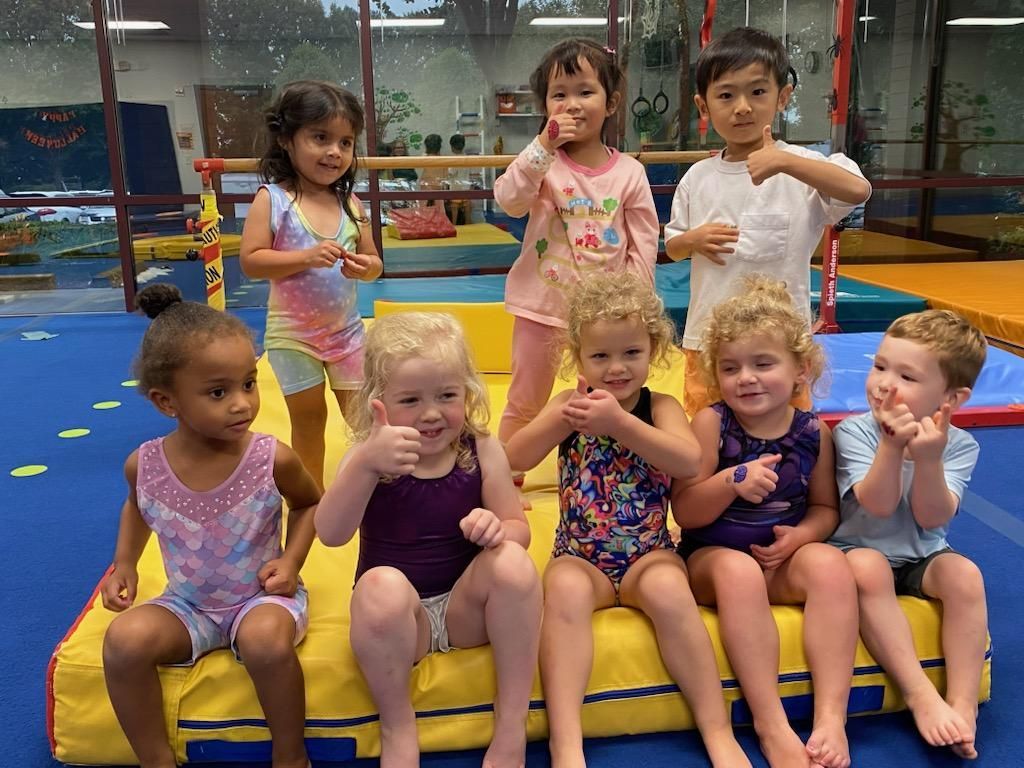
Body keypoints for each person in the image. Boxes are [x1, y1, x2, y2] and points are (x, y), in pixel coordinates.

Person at [505, 273, 751, 768]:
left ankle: (717, 729)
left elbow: (686, 462)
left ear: (653, 348)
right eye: (600, 357)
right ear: (578, 358)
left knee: (670, 594)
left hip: (648, 553)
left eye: (631, 353)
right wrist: (558, 420)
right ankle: (567, 743)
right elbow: (514, 457)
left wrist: (620, 423)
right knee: (565, 598)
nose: (616, 368)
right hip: (579, 556)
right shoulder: (565, 406)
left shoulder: (659, 407)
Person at [101, 284, 320, 768]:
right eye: (218, 392)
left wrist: (290, 561)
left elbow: (309, 505)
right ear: (167, 402)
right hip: (188, 605)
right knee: (122, 641)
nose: (242, 403)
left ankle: (290, 755)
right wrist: (124, 563)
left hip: (259, 598)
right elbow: (137, 507)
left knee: (264, 641)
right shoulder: (146, 464)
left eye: (249, 383)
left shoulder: (271, 458)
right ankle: (155, 759)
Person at [315, 312, 542, 768]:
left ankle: (512, 721)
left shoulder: (481, 449)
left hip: (466, 611)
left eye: (446, 395)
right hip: (402, 624)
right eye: (411, 400)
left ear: (468, 392)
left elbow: (518, 528)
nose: (432, 412)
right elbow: (331, 533)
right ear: (378, 402)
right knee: (380, 585)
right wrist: (365, 466)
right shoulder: (367, 458)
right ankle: (397, 724)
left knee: (514, 562)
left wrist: (497, 530)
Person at [672, 276, 857, 768]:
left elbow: (825, 510)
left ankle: (829, 720)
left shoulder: (812, 432)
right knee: (738, 572)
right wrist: (732, 479)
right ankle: (770, 721)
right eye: (730, 368)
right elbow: (684, 511)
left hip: (780, 559)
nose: (745, 378)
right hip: (712, 559)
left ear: (800, 370)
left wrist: (801, 536)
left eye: (762, 364)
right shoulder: (713, 422)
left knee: (832, 567)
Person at [663, 27, 872, 418]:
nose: (742, 107)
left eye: (757, 92)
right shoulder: (698, 178)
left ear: (783, 98)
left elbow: (858, 190)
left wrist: (786, 162)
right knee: (706, 432)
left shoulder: (803, 169)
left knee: (786, 435)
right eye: (726, 95)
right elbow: (672, 248)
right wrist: (693, 238)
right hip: (707, 339)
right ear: (703, 106)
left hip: (780, 344)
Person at [829, 310, 988, 760]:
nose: (883, 382)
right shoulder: (854, 431)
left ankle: (962, 703)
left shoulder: (960, 445)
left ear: (951, 397)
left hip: (921, 553)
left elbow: (932, 517)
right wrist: (892, 447)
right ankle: (920, 694)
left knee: (965, 576)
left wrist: (930, 460)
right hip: (855, 550)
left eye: (906, 375)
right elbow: (876, 504)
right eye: (879, 366)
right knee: (868, 567)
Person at [494, 38, 659, 450]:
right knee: (525, 399)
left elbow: (643, 243)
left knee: (616, 393)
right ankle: (508, 475)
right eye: (559, 95)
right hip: (542, 306)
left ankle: (610, 463)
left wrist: (635, 305)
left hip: (607, 317)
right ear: (546, 107)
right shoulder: (542, 164)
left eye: (585, 92)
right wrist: (543, 146)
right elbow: (509, 201)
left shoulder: (628, 173)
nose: (572, 104)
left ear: (612, 103)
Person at [240, 80, 383, 491]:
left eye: (345, 142)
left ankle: (374, 492)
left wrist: (363, 267)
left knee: (364, 418)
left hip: (347, 333)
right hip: (294, 335)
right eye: (320, 138)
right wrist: (304, 256)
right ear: (287, 139)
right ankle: (311, 498)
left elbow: (375, 264)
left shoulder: (351, 205)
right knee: (308, 420)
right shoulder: (274, 200)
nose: (334, 152)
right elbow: (251, 261)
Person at [447, 133, 473, 225]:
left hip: (455, 187)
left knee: (455, 208)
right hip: (466, 186)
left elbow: (451, 172)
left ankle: (454, 225)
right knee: (467, 208)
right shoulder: (466, 157)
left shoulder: (453, 159)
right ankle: (468, 224)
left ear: (452, 146)